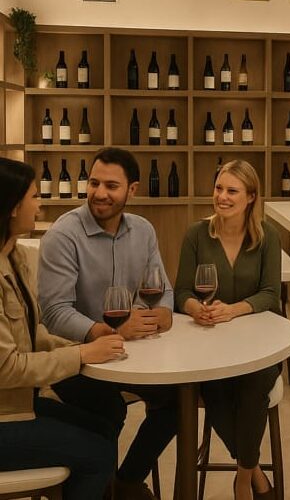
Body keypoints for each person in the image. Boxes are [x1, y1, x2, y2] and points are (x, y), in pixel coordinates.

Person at [38, 148, 177, 500]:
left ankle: (127, 481)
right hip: (76, 358)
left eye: (111, 185)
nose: (100, 192)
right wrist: (108, 331)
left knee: (179, 398)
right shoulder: (63, 235)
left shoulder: (143, 230)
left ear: (132, 190)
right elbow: (54, 312)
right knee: (109, 410)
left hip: (132, 355)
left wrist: (164, 312)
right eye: (95, 182)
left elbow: (162, 288)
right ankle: (96, 487)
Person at [0, 157, 124, 499]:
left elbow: (32, 335)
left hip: (19, 403)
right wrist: (82, 352)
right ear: (12, 208)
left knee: (107, 417)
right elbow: (7, 368)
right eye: (35, 196)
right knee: (98, 453)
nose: (40, 204)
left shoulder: (16, 256)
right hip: (5, 416)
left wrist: (80, 348)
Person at [174, 159, 280, 500]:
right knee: (217, 392)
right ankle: (255, 474)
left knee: (254, 385)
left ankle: (241, 481)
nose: (222, 196)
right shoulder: (196, 234)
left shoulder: (267, 236)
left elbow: (270, 293)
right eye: (219, 188)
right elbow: (182, 293)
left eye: (232, 190)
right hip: (210, 343)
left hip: (259, 341)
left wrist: (232, 310)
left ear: (250, 196)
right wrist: (197, 310)